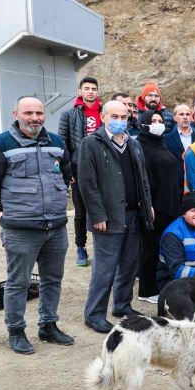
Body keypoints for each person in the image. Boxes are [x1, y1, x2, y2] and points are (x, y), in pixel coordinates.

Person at [0, 96, 74, 354]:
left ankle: (48, 325)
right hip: (21, 230)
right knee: (18, 282)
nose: (34, 117)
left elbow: (66, 174)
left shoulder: (57, 143)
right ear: (16, 113)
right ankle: (16, 330)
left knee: (52, 279)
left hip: (55, 227)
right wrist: (7, 211)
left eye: (39, 112)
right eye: (28, 113)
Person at [79, 100, 154, 334]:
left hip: (133, 213)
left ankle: (122, 305)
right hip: (108, 217)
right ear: (103, 117)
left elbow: (142, 177)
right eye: (115, 116)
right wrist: (97, 214)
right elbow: (87, 184)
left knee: (129, 265)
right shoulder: (91, 143)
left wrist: (147, 205)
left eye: (124, 117)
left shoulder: (132, 143)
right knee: (105, 268)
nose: (120, 121)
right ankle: (94, 314)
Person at [137, 110, 182, 305]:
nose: (157, 123)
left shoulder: (160, 143)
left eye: (160, 120)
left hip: (170, 205)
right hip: (156, 207)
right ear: (143, 124)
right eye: (153, 121)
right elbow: (145, 179)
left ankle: (161, 284)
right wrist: (150, 206)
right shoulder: (141, 146)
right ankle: (146, 290)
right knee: (150, 250)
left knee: (163, 250)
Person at [59, 76, 102, 267]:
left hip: (103, 169)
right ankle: (81, 248)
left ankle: (100, 248)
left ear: (97, 92)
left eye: (93, 88)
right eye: (87, 88)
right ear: (80, 91)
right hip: (78, 170)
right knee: (80, 212)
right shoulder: (68, 114)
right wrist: (68, 172)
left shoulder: (105, 112)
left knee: (103, 209)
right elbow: (63, 144)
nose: (90, 91)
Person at [163, 104, 195, 190]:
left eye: (187, 114)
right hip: (176, 187)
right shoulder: (166, 139)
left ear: (191, 117)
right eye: (181, 114)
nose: (185, 117)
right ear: (174, 117)